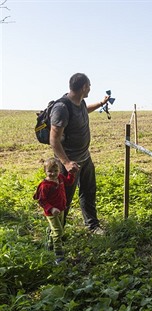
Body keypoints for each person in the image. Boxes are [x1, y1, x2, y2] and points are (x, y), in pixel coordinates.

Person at [49, 73, 109, 235]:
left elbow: (84, 110)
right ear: (83, 87)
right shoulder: (62, 108)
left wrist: (101, 103)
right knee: (63, 199)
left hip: (85, 158)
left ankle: (92, 225)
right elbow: (53, 140)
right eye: (89, 85)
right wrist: (67, 163)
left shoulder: (80, 102)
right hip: (68, 163)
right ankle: (56, 233)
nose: (90, 88)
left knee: (89, 191)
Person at [33, 157, 76, 263]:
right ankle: (59, 255)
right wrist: (51, 209)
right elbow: (41, 200)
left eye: (55, 171)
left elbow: (69, 182)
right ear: (45, 171)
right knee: (58, 232)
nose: (53, 173)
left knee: (57, 228)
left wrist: (72, 173)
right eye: (50, 171)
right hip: (51, 212)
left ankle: (50, 244)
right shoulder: (45, 185)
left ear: (59, 171)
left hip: (61, 209)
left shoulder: (60, 177)